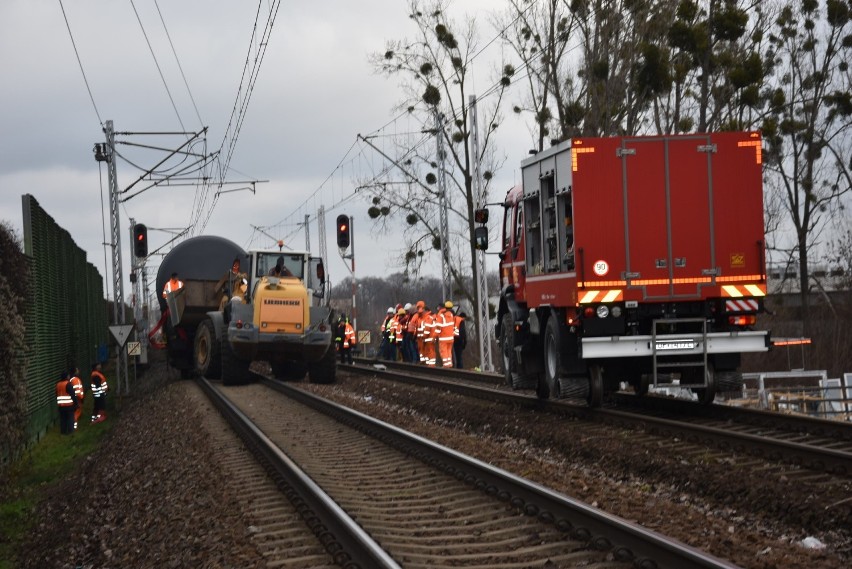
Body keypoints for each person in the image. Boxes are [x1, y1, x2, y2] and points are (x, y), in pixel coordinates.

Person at [55, 371, 78, 435]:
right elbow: (73, 394)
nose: (69, 377)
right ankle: (71, 432)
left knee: (63, 419)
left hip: (61, 406)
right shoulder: (68, 384)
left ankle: (63, 432)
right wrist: (76, 403)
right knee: (70, 418)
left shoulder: (58, 384)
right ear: (66, 377)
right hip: (69, 405)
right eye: (68, 376)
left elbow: (56, 394)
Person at [436, 301, 456, 367]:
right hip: (451, 337)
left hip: (443, 337)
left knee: (443, 351)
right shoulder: (450, 314)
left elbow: (438, 326)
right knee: (449, 351)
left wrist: (435, 335)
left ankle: (445, 365)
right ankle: (449, 364)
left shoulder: (440, 315)